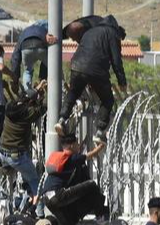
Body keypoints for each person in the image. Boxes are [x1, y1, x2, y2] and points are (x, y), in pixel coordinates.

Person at [55, 15, 128, 144]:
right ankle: (100, 132)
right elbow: (116, 61)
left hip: (76, 66)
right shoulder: (112, 34)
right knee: (108, 100)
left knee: (73, 93)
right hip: (96, 70)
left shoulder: (91, 31)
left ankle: (61, 120)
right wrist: (122, 82)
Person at [42, 134, 109, 225]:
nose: (78, 146)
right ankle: (100, 216)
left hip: (47, 199)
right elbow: (90, 156)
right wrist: (100, 146)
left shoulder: (57, 157)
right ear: (72, 145)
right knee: (91, 185)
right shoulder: (71, 158)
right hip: (58, 195)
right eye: (77, 144)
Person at [0, 79, 48, 216]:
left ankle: (2, 207)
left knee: (5, 180)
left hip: (3, 152)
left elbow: (23, 99)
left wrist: (36, 90)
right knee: (35, 181)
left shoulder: (10, 107)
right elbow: (42, 109)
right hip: (17, 155)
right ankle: (40, 212)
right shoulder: (27, 114)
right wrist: (44, 95)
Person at [11, 22, 56, 94]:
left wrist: (15, 79)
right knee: (53, 70)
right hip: (41, 46)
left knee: (27, 71)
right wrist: (42, 76)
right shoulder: (45, 30)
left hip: (25, 48)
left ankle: (28, 94)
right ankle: (57, 95)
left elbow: (15, 57)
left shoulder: (25, 31)